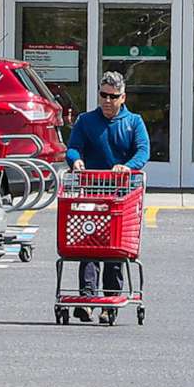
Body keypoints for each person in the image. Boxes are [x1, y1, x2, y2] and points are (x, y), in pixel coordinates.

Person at [66, 70, 149, 319]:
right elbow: (73, 147)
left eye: (113, 96)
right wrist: (76, 160)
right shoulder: (86, 121)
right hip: (92, 190)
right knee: (89, 242)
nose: (107, 101)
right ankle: (87, 297)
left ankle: (109, 301)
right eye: (103, 95)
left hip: (121, 193)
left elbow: (143, 151)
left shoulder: (133, 122)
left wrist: (129, 166)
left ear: (123, 97)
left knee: (115, 246)